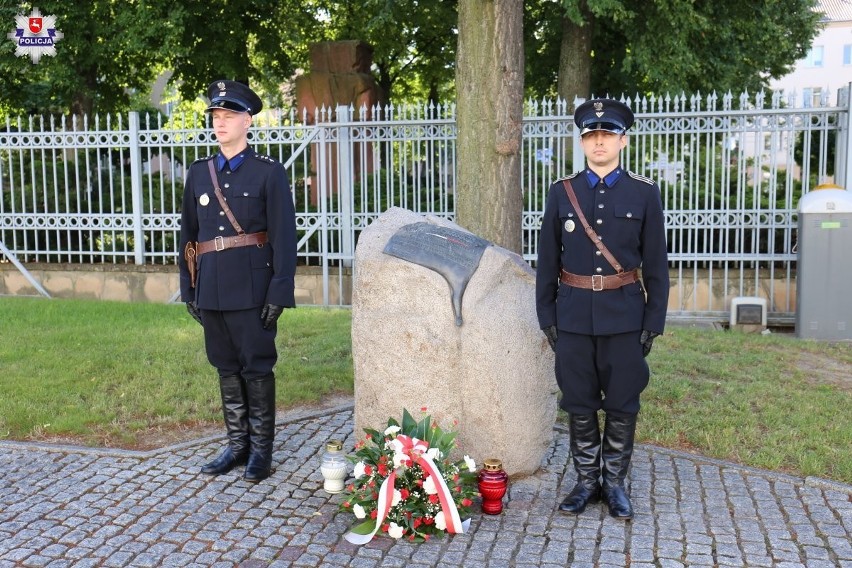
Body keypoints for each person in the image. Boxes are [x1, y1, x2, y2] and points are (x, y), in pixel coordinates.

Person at [535, 98, 669, 520]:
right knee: (578, 400)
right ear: (582, 142)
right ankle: (586, 481)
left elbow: (657, 265)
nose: (598, 142)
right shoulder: (562, 192)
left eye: (607, 135)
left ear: (622, 141)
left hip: (625, 316)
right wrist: (547, 317)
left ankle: (614, 483)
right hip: (573, 315)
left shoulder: (644, 193)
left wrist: (653, 321)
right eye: (591, 135)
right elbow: (547, 262)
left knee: (623, 402)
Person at [178, 80, 297, 483]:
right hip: (210, 286)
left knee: (257, 368)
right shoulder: (198, 174)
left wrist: (279, 291)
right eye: (216, 116)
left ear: (248, 121)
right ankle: (237, 445)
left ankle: (261, 452)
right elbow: (189, 237)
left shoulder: (268, 172)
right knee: (225, 367)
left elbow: (283, 236)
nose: (220, 123)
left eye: (229, 116)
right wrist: (188, 288)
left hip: (252, 288)